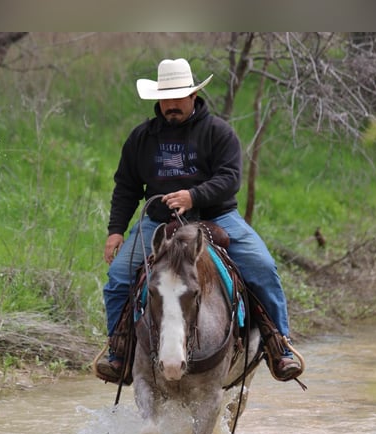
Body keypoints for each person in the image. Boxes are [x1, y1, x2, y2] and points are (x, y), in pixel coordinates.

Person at [95, 58, 303, 383]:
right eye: (166, 98)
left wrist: (193, 196)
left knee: (262, 268)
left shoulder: (218, 133)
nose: (172, 105)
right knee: (119, 278)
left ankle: (280, 345)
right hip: (160, 224)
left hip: (217, 216)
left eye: (179, 97)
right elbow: (126, 187)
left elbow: (230, 178)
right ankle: (119, 350)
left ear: (193, 96)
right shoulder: (141, 138)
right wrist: (115, 231)